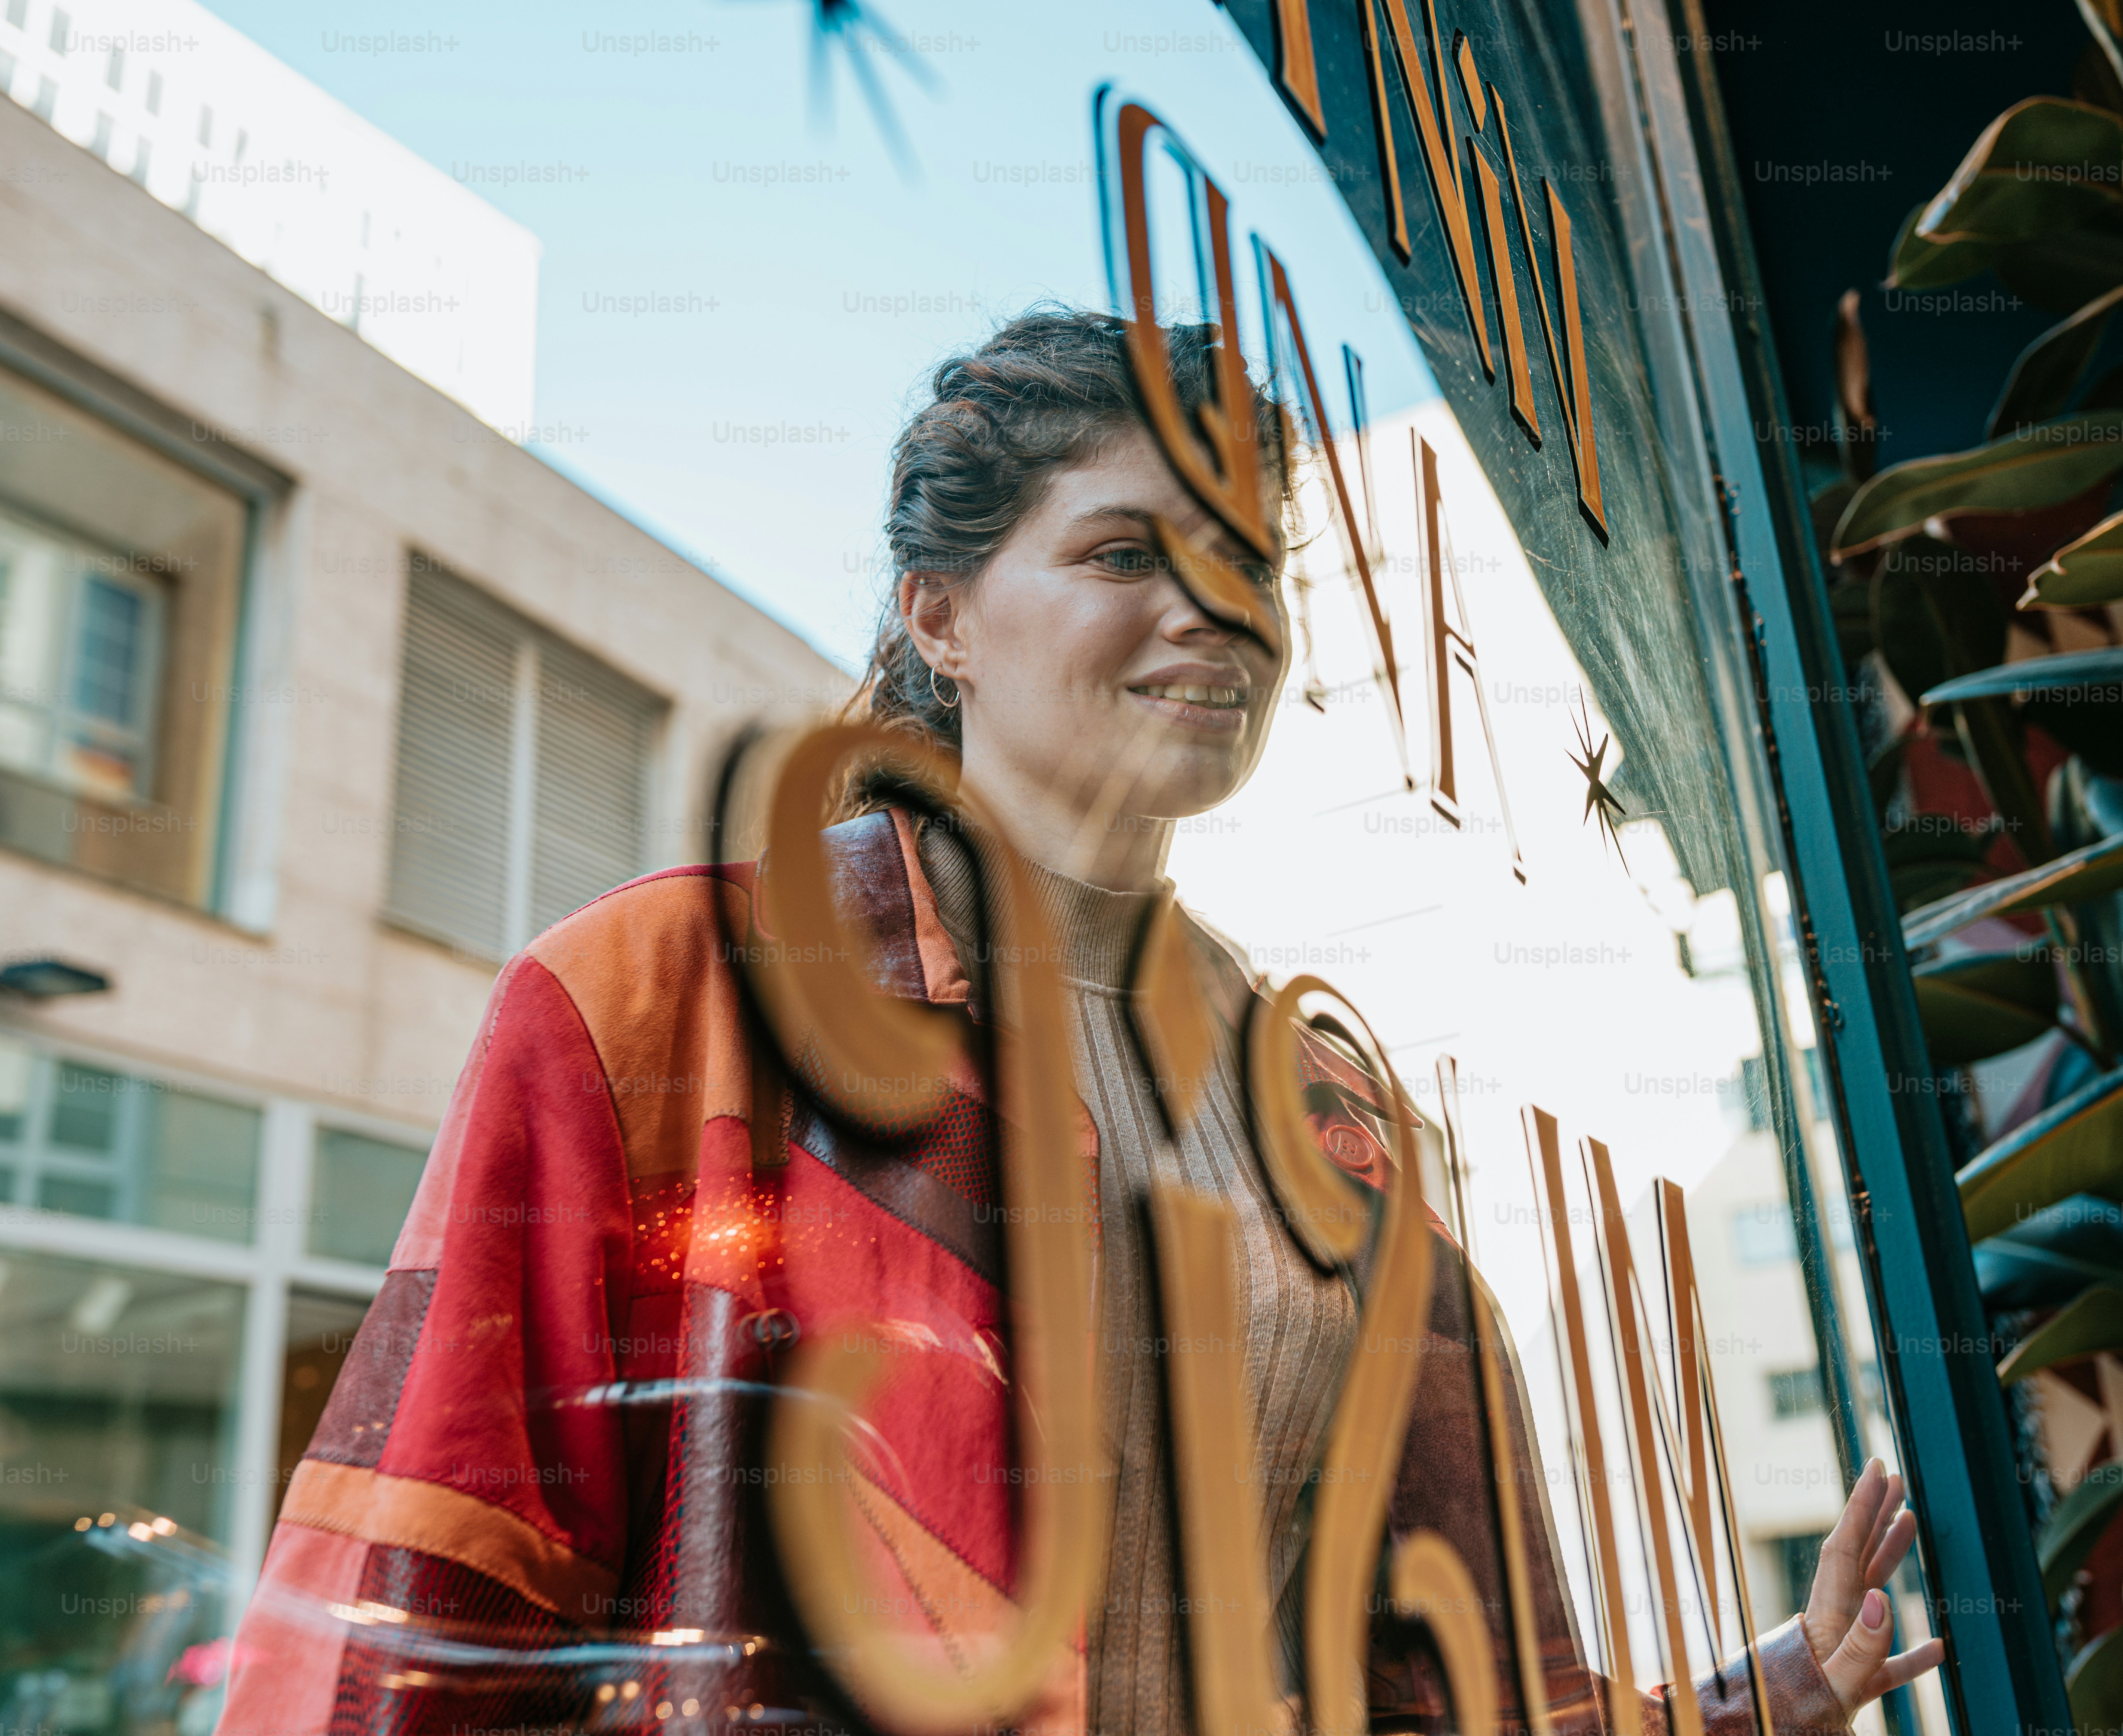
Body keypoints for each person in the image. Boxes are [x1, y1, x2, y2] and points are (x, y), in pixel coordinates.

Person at [215, 308, 1942, 1736]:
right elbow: (420, 1602)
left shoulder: (1324, 1109)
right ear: (940, 614)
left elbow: (1433, 1676)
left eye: (1253, 564)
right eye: (1128, 550)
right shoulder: (666, 996)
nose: (1217, 610)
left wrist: (1747, 1702)